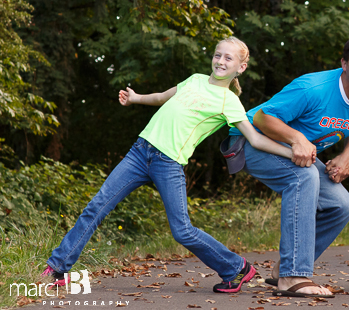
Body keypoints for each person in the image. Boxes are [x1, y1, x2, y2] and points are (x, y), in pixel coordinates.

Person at [43, 37, 292, 294]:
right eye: (218, 55)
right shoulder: (195, 79)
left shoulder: (229, 102)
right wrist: (136, 98)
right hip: (140, 152)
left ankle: (236, 268)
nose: (220, 61)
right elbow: (162, 97)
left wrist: (291, 150)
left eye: (229, 58)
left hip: (168, 163)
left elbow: (254, 138)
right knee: (96, 207)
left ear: (241, 67)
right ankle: (57, 269)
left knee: (182, 231)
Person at [228, 34, 349, 298]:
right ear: (344, 64)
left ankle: (283, 269)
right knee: (305, 177)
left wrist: (348, 155)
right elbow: (263, 118)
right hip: (250, 142)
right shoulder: (313, 88)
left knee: (343, 205)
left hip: (293, 152)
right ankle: (293, 276)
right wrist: (297, 138)